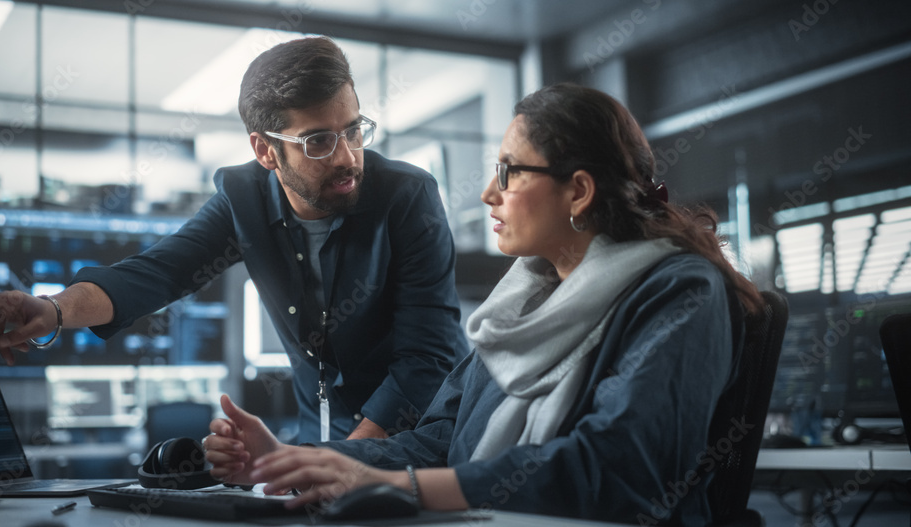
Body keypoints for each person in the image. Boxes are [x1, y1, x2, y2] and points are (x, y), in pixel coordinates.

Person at [202, 83, 763, 526]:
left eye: (509, 171)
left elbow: (618, 468)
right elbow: (442, 438)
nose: (487, 194)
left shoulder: (679, 293)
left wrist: (405, 489)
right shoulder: (521, 304)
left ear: (579, 191)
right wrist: (295, 461)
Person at [0, 36, 469, 443]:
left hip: (424, 435)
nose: (347, 157)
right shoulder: (243, 197)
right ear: (265, 150)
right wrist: (54, 310)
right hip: (328, 438)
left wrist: (340, 461)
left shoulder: (407, 197)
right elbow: (157, 273)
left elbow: (427, 357)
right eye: (318, 140)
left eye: (353, 130)